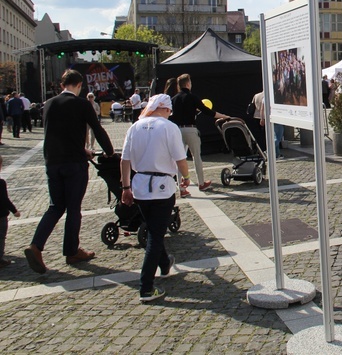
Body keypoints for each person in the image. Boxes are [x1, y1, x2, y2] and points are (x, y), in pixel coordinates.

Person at [24, 70, 115, 274]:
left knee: (55, 206)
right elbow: (97, 129)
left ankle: (36, 246)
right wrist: (109, 152)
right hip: (73, 164)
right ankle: (72, 251)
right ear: (79, 85)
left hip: (52, 162)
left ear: (62, 85)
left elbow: (55, 134)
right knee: (74, 208)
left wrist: (81, 149)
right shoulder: (81, 104)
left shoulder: (48, 104)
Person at [120, 94, 190, 303]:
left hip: (140, 185)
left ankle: (165, 263)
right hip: (162, 187)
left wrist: (125, 187)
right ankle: (146, 287)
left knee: (153, 228)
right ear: (165, 109)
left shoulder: (135, 126)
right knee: (155, 236)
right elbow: (180, 158)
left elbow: (124, 160)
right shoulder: (169, 127)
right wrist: (186, 178)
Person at [169, 74, 229, 196]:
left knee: (180, 159)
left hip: (177, 130)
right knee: (197, 157)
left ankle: (181, 189)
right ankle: (201, 183)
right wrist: (224, 116)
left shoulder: (173, 99)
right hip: (191, 129)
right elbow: (208, 112)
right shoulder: (192, 97)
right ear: (187, 84)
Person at [0, 155, 21, 268]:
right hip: (1, 216)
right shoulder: (1, 183)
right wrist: (14, 211)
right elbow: (4, 200)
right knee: (1, 237)